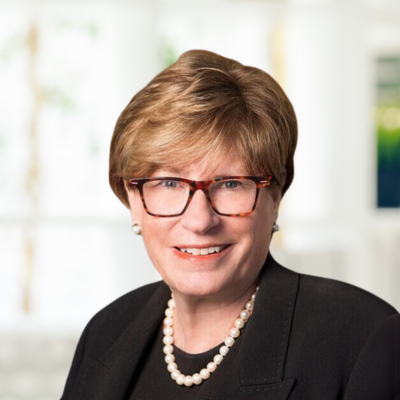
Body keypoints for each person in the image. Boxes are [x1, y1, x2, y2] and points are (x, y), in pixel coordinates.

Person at [61, 50, 399, 400]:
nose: (199, 220)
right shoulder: (105, 334)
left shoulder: (362, 337)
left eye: (231, 184)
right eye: (169, 183)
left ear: (275, 196)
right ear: (133, 201)